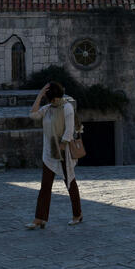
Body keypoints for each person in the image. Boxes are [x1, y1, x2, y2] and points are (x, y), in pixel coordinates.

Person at [24, 82, 83, 229]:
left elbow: (68, 131)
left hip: (63, 151)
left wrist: (61, 149)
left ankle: (77, 214)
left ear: (57, 97)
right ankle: (40, 218)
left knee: (70, 183)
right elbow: (32, 114)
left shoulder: (67, 108)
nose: (51, 102)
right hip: (49, 151)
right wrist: (40, 94)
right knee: (45, 186)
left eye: (52, 98)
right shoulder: (48, 109)